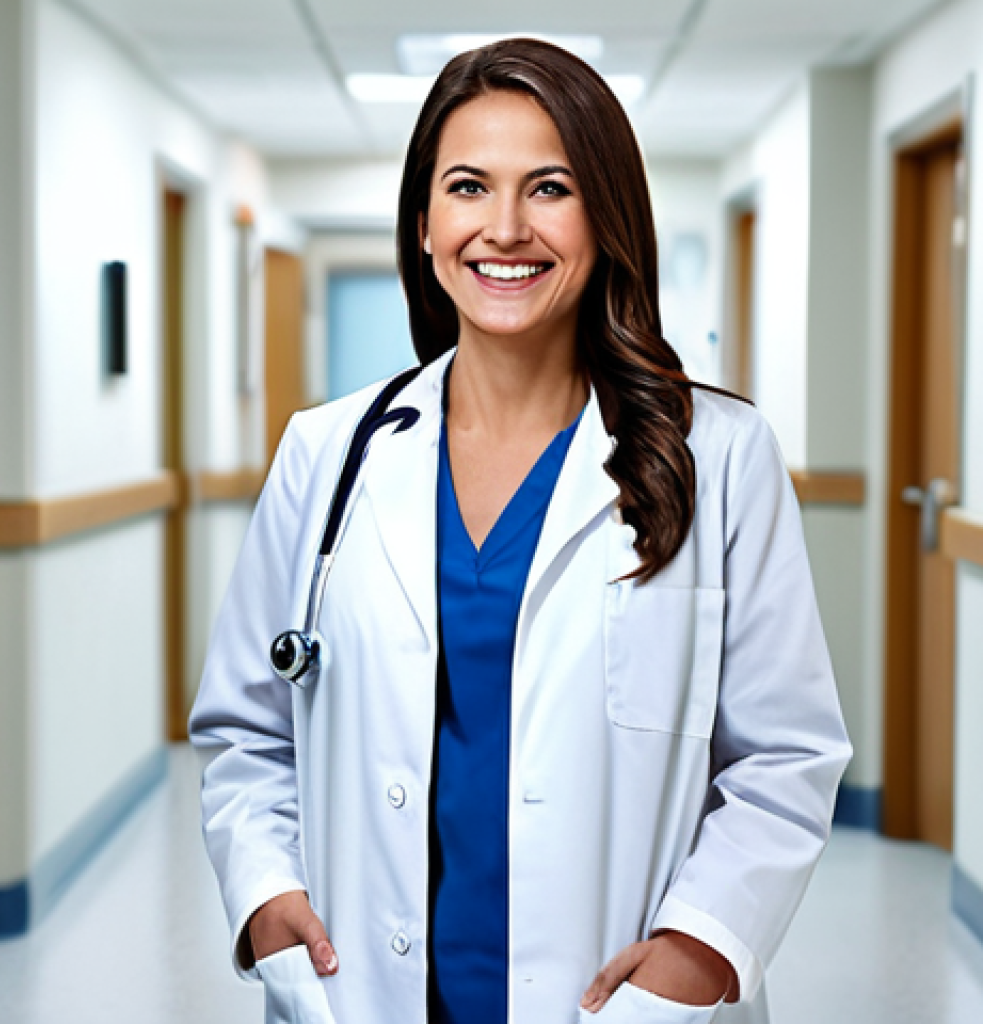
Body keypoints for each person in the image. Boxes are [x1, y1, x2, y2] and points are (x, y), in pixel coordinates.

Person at [189, 38, 851, 1024]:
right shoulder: (326, 454)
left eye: (549, 188)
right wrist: (266, 898)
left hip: (614, 997)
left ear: (606, 216)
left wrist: (700, 948)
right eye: (467, 187)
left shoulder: (719, 456)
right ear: (423, 223)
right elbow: (247, 730)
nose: (504, 228)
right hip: (366, 987)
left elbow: (784, 755)